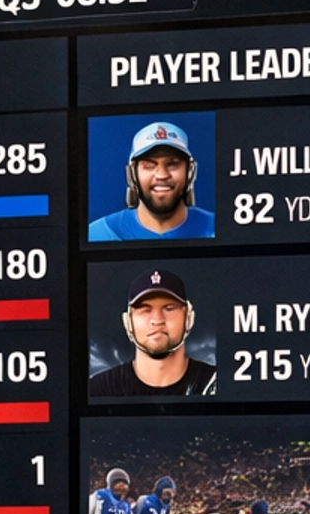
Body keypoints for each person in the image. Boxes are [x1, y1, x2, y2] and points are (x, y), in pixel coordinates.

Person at [89, 270, 216, 398]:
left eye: (169, 308)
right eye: (145, 310)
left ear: (188, 317)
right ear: (128, 321)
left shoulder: (215, 382)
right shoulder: (98, 389)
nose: (157, 320)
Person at [87, 122, 216, 241]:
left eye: (173, 164)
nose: (162, 175)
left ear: (190, 171)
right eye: (149, 165)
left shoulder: (217, 229)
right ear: (132, 173)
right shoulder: (97, 234)